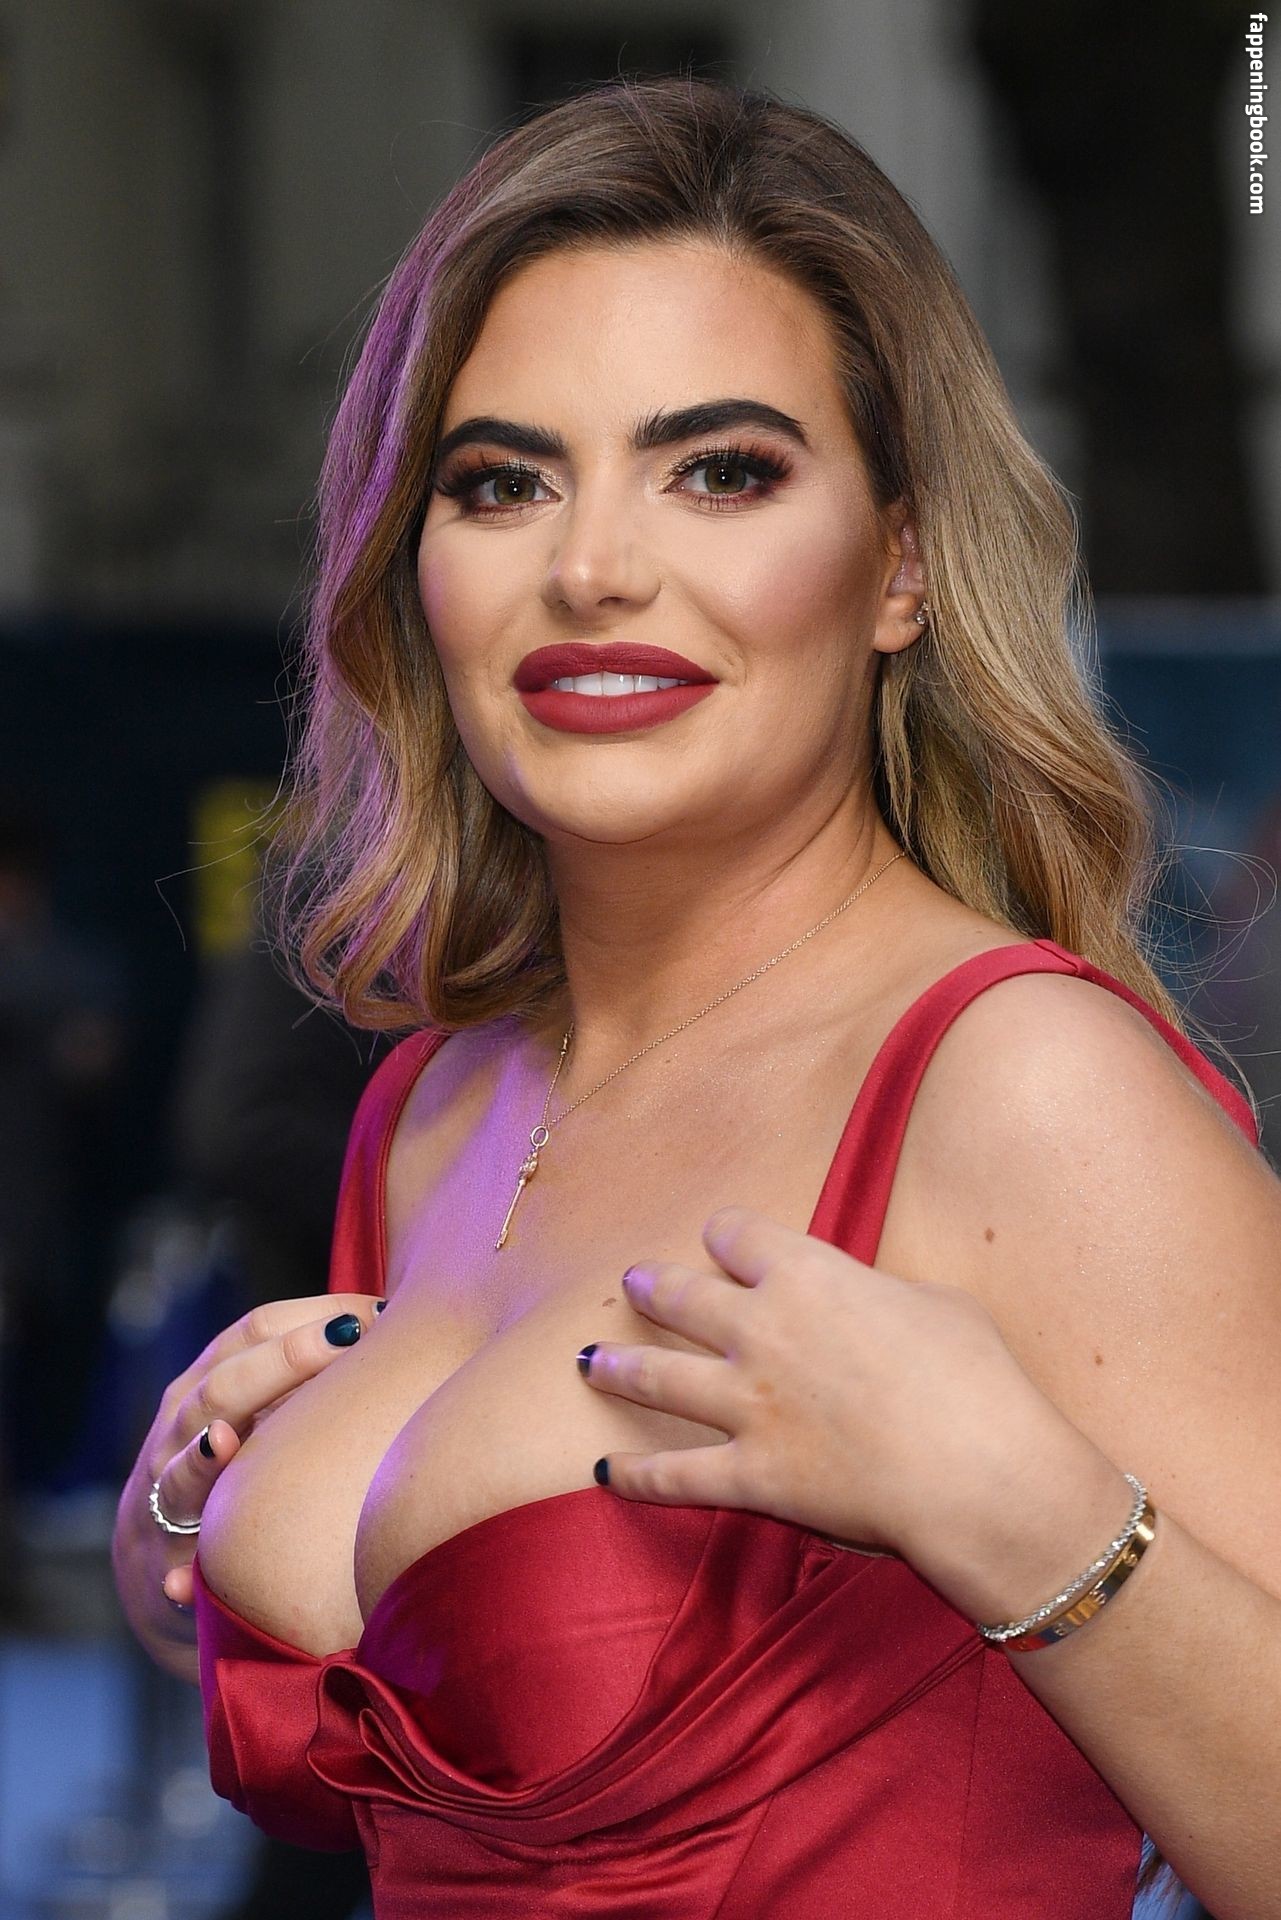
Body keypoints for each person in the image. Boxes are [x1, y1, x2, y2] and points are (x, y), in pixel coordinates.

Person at [112, 76, 1281, 1917]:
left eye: (719, 470)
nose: (591, 568)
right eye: (501, 482)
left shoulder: (1022, 1086)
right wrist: (180, 1529)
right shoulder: (434, 1102)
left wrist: (1022, 1512)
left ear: (898, 565)